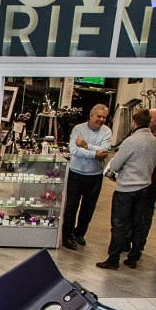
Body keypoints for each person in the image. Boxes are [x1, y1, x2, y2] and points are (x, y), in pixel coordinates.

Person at [96, 108, 156, 270]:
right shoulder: (155, 142)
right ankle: (134, 257)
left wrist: (112, 172)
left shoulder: (131, 141)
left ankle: (113, 258)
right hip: (145, 187)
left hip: (126, 189)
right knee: (139, 223)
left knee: (119, 224)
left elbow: (116, 164)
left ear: (134, 122)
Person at [61, 104, 112, 250]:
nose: (101, 119)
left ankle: (79, 234)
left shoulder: (107, 131)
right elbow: (74, 151)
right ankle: (67, 236)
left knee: (88, 208)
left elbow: (105, 150)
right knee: (71, 206)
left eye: (104, 117)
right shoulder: (78, 129)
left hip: (95, 176)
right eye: (99, 116)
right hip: (76, 173)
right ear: (91, 116)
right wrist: (94, 154)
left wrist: (86, 145)